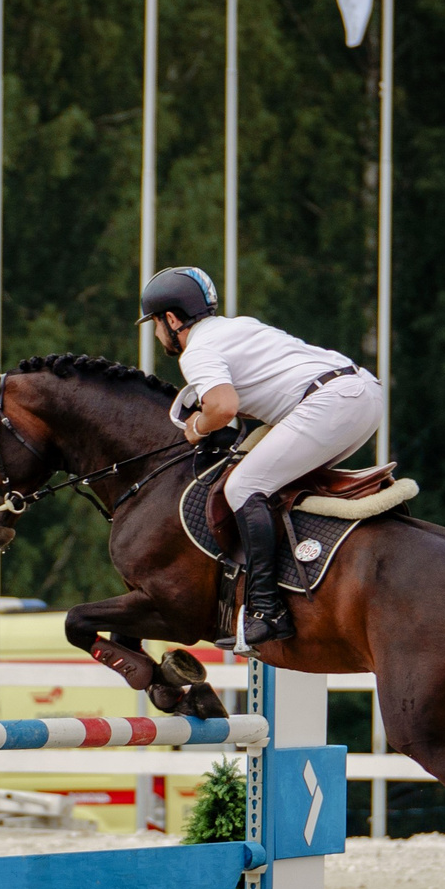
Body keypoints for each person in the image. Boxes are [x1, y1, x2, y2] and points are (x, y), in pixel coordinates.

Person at [140, 266, 383, 649]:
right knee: (276, 482)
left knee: (243, 486)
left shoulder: (198, 350)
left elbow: (222, 406)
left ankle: (266, 610)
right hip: (365, 394)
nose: (156, 334)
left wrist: (197, 428)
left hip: (330, 403)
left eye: (155, 323)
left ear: (172, 319)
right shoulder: (240, 326)